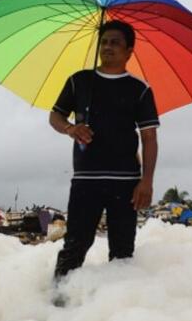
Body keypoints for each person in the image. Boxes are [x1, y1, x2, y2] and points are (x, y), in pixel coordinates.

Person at [49, 20, 159, 297]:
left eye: (115, 43)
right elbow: (55, 116)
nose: (108, 47)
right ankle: (57, 301)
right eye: (105, 41)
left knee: (122, 251)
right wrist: (70, 129)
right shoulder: (79, 81)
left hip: (126, 182)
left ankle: (118, 307)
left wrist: (146, 182)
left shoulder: (140, 89)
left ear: (129, 51)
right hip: (86, 180)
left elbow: (149, 138)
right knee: (75, 244)